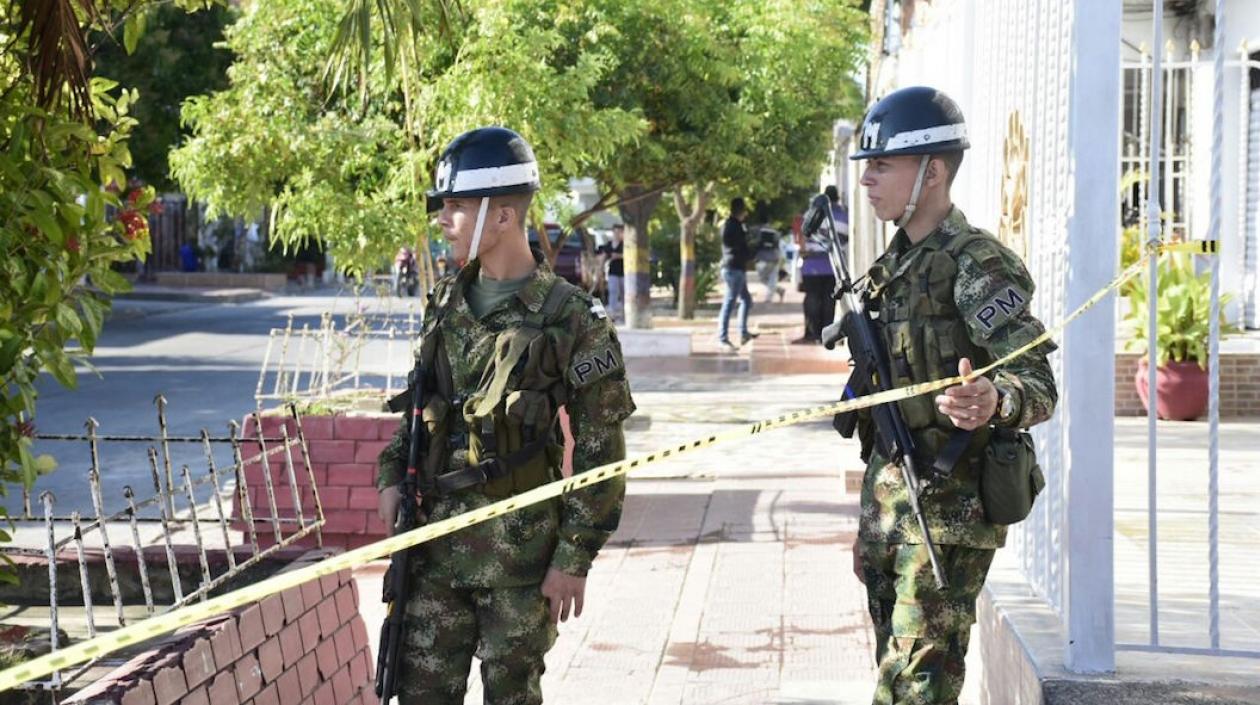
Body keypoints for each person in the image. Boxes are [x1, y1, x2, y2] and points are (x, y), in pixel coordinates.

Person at [376, 126, 636, 705]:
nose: (443, 219)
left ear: (502, 217)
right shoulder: (444, 302)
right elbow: (419, 408)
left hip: (519, 563)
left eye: (458, 207)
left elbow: (602, 453)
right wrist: (391, 473)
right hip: (434, 555)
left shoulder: (573, 319)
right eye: (442, 207)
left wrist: (575, 557)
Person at [847, 86, 1058, 704]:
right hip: (893, 510)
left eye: (883, 164)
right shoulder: (891, 268)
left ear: (932, 171)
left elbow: (1039, 384)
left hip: (950, 517)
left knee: (915, 690)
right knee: (898, 676)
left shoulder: (977, 265)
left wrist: (996, 398)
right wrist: (871, 526)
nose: (868, 180)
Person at [792, 186, 845, 344]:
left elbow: (802, 235)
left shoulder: (812, 214)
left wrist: (803, 252)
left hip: (812, 265)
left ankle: (811, 334)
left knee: (812, 298)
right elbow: (846, 238)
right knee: (829, 299)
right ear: (837, 198)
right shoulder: (844, 215)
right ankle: (827, 335)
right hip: (833, 265)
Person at [717, 197, 758, 351]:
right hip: (733, 268)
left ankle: (743, 333)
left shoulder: (735, 225)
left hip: (736, 268)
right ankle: (722, 338)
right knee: (729, 302)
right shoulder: (733, 226)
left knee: (746, 300)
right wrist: (750, 251)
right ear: (741, 211)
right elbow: (738, 247)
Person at [598, 224, 625, 323]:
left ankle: (624, 315)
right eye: (615, 232)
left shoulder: (624, 244)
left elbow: (627, 255)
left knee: (623, 294)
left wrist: (618, 256)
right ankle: (612, 314)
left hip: (624, 273)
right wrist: (600, 269)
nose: (617, 234)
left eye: (619, 232)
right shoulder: (609, 245)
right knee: (613, 292)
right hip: (612, 272)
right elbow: (604, 257)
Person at [753, 225, 785, 303]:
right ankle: (778, 290)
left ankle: (769, 298)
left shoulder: (758, 231)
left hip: (762, 258)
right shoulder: (776, 233)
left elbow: (755, 245)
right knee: (771, 279)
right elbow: (780, 247)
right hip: (774, 257)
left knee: (764, 279)